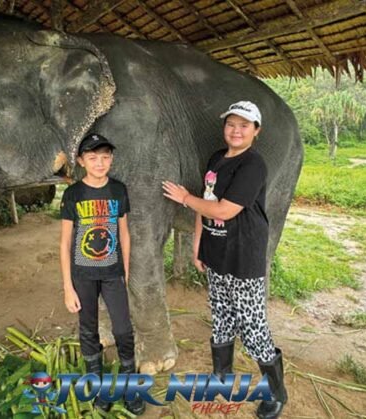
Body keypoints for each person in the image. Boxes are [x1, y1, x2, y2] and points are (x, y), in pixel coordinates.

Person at [162, 101, 287, 418]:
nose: (236, 130)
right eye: (231, 124)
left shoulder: (253, 165)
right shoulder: (216, 159)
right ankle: (222, 376)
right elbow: (207, 202)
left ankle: (276, 392)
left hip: (244, 254)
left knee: (252, 325)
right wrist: (198, 244)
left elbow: (226, 210)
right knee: (221, 316)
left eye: (244, 125)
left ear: (256, 131)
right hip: (217, 250)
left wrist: (184, 198)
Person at [59, 133, 144, 415]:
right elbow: (65, 242)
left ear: (112, 159)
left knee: (123, 330)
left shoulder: (118, 190)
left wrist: (125, 271)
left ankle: (130, 388)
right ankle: (98, 388)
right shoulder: (73, 194)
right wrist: (68, 287)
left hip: (112, 273)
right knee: (88, 329)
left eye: (105, 157)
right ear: (81, 161)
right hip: (82, 275)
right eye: (93, 157)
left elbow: (124, 233)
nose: (100, 163)